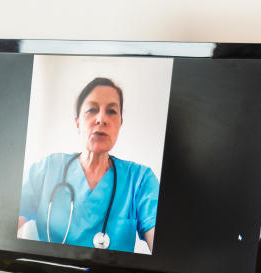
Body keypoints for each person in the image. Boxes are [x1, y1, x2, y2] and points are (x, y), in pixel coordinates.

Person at [17, 77, 159, 253]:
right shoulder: (46, 169)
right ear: (77, 122)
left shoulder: (140, 180)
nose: (101, 119)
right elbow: (1, 223)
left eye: (112, 111)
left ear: (120, 123)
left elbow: (165, 250)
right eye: (92, 110)